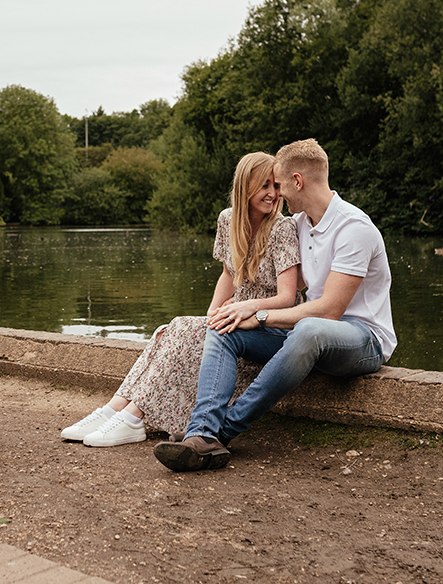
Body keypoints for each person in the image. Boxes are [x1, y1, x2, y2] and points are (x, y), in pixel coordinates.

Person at [153, 139, 396, 472]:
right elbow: (254, 272)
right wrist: (234, 307)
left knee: (309, 328)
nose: (278, 194)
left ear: (298, 181)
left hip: (362, 339)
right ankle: (202, 434)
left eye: (279, 185)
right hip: (306, 335)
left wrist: (261, 315)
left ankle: (223, 431)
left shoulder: (354, 229)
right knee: (225, 330)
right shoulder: (299, 225)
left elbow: (329, 312)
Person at [61, 152, 301, 447]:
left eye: (276, 186)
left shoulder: (282, 228)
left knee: (184, 328)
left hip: (270, 324)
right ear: (245, 186)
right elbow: (228, 273)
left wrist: (244, 307)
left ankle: (134, 417)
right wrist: (213, 311)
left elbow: (288, 297)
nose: (273, 194)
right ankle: (114, 408)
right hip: (235, 318)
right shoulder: (228, 220)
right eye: (264, 186)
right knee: (170, 329)